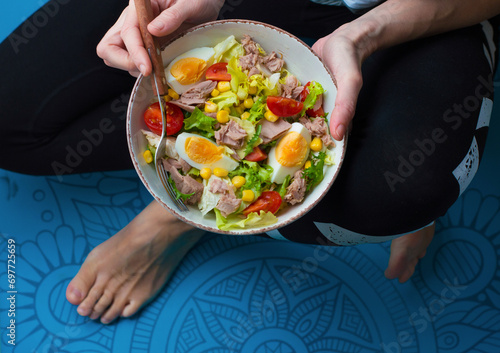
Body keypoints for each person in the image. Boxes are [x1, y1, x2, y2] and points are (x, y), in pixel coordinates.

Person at [0, 0, 498, 325]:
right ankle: (183, 169)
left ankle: (177, 219)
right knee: (9, 120)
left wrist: (362, 34)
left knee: (404, 194)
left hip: (425, 16)